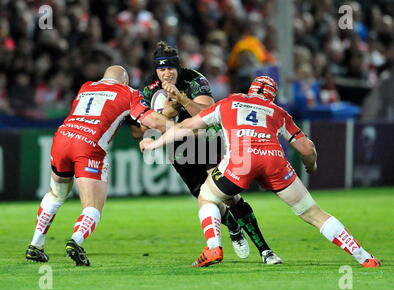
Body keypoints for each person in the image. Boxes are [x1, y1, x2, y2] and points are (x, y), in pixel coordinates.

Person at [140, 76, 381, 268]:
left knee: (207, 196)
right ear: (272, 96)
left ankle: (213, 247)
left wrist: (154, 143)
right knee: (313, 213)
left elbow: (186, 126)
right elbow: (306, 147)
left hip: (241, 161)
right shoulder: (277, 112)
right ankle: (363, 257)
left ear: (251, 89)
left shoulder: (229, 103)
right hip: (274, 161)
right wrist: (311, 165)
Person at [137, 41, 282, 264]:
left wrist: (182, 98)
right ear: (156, 70)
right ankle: (233, 227)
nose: (167, 74)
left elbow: (209, 113)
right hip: (179, 148)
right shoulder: (148, 88)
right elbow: (142, 128)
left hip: (207, 141)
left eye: (171, 68)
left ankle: (266, 251)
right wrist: (167, 112)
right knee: (204, 199)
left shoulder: (195, 80)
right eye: (162, 69)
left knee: (229, 196)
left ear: (179, 67)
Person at [25, 65, 171, 266]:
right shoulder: (128, 93)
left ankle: (36, 245)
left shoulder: (86, 87)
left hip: (63, 137)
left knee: (56, 194)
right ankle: (76, 241)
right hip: (88, 145)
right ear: (125, 81)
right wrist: (177, 126)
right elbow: (152, 120)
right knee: (93, 206)